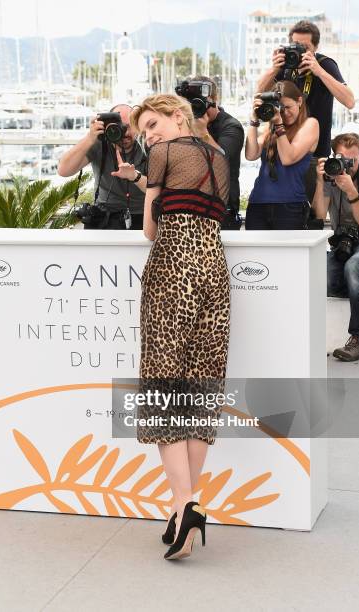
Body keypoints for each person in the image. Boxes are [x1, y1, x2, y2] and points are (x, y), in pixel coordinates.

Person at [129, 94, 230, 561]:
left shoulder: (165, 154)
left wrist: (148, 189)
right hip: (215, 272)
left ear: (177, 115)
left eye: (152, 124)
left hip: (173, 269)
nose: (149, 135)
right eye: (145, 131)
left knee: (165, 388)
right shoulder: (220, 156)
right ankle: (182, 512)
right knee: (201, 389)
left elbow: (151, 229)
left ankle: (183, 503)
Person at [257, 20, 355, 202]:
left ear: (315, 48)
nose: (299, 52)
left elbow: (349, 101)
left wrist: (319, 72)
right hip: (282, 151)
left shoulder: (324, 64)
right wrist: (274, 69)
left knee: (312, 217)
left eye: (305, 47)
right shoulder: (286, 65)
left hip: (314, 157)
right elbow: (258, 93)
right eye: (295, 46)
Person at [312, 133, 359, 361]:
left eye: (353, 160)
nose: (348, 166)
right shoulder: (331, 176)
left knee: (353, 267)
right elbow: (320, 214)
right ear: (335, 156)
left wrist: (352, 192)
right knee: (315, 272)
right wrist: (321, 181)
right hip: (342, 243)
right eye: (344, 159)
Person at [58, 104, 147, 229]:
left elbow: (156, 190)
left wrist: (134, 176)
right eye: (119, 127)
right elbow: (64, 170)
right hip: (104, 215)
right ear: (108, 127)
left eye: (129, 126)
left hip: (141, 214)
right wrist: (90, 137)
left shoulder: (147, 146)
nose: (125, 132)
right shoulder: (100, 145)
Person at [245, 80, 319, 229]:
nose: (284, 113)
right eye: (280, 108)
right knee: (256, 253)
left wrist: (278, 124)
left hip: (290, 206)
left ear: (299, 101)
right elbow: (251, 154)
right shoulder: (270, 131)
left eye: (288, 107)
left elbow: (288, 158)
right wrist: (254, 121)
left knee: (288, 253)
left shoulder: (310, 124)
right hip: (258, 204)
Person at [189, 75, 244, 229]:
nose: (196, 107)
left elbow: (222, 159)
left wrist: (202, 132)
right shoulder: (186, 124)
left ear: (214, 98)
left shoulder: (231, 126)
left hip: (222, 209)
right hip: (193, 208)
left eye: (200, 102)